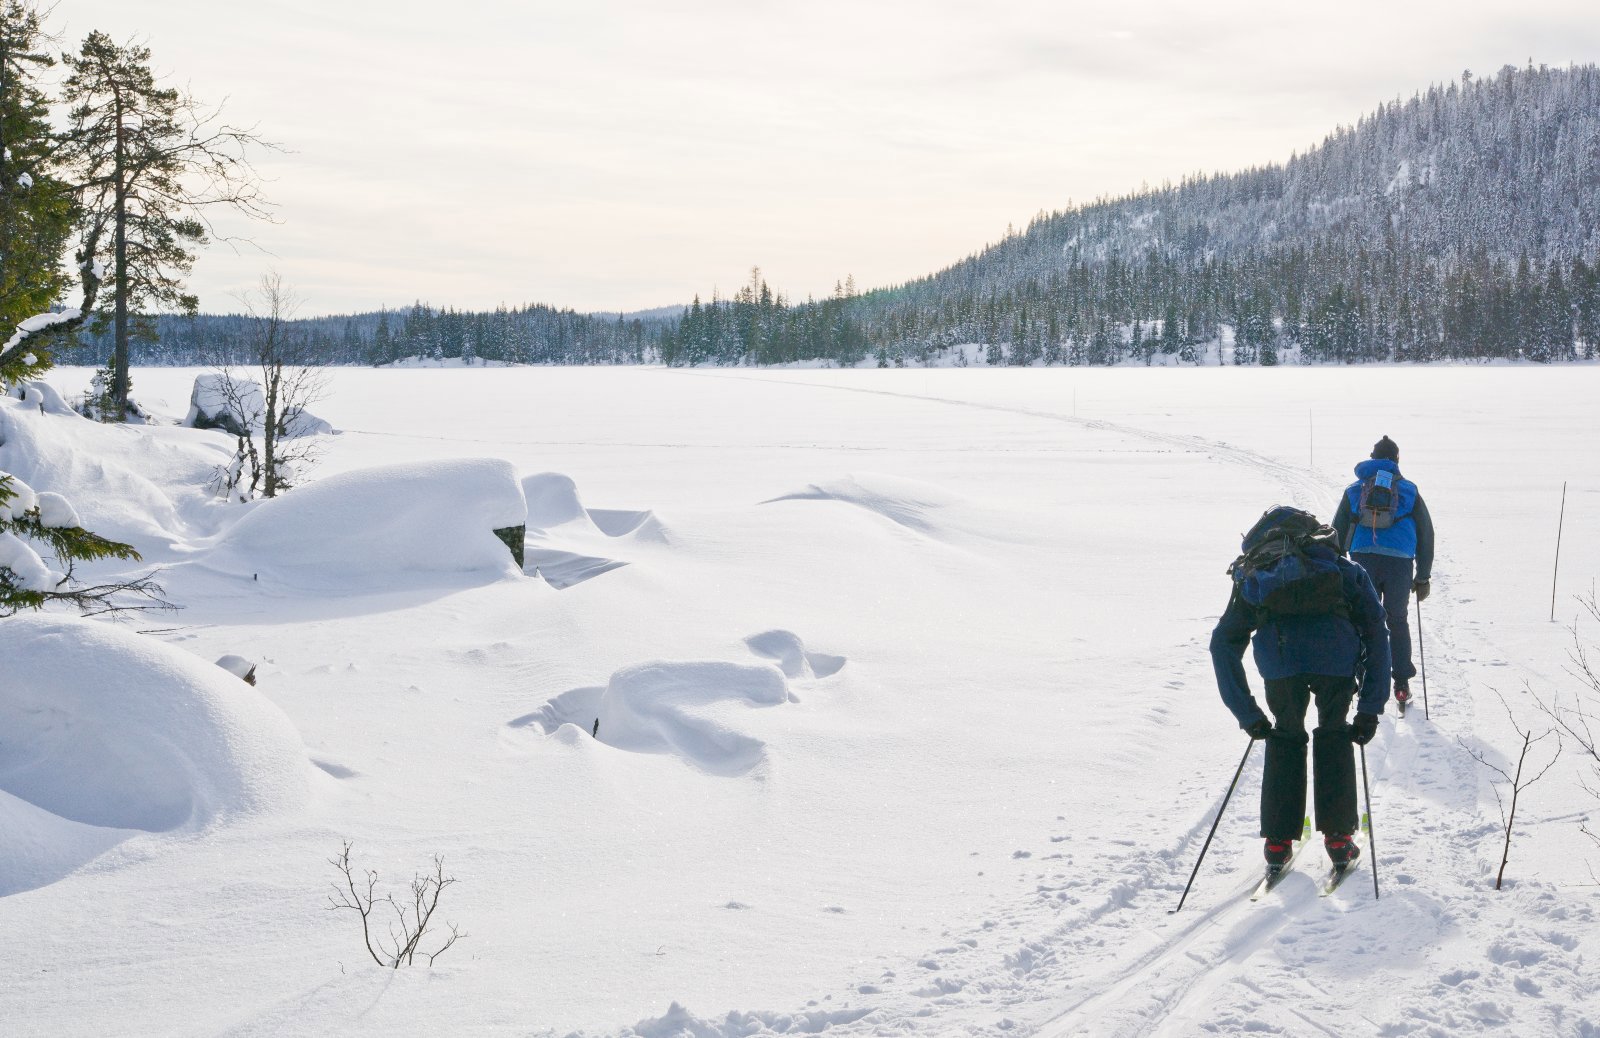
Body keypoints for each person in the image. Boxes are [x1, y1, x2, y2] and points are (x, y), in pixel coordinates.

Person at [1210, 506, 1391, 870]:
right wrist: (1370, 706)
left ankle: (1277, 844)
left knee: (1285, 734)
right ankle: (1339, 840)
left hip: (1280, 664)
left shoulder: (1258, 573)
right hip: (1336, 660)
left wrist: (1247, 713)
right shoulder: (1344, 569)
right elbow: (1376, 632)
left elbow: (1223, 644)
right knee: (1334, 732)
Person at [1332, 435, 1435, 709]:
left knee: (1363, 619)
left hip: (1362, 558)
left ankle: (1360, 678)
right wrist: (1422, 575)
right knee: (1397, 620)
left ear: (1373, 457)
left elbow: (1337, 530)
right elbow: (1426, 533)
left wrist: (1337, 564)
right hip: (1400, 562)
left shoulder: (1355, 489)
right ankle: (1401, 683)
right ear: (1397, 459)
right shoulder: (1410, 490)